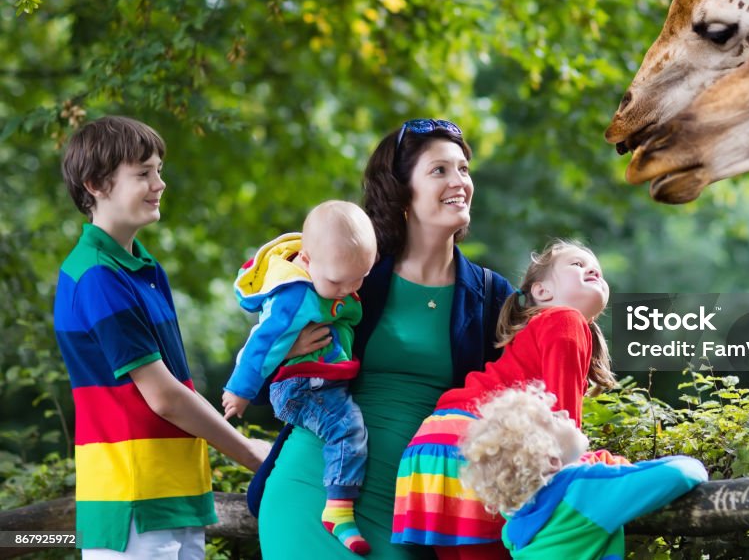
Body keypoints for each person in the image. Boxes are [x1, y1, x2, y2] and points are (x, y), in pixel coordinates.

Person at [254, 119, 515, 559]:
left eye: (464, 169)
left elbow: (527, 387)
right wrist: (286, 353)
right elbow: (258, 378)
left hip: (411, 517)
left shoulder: (491, 296)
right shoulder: (353, 277)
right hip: (311, 493)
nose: (459, 182)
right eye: (440, 171)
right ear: (401, 190)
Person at [53, 116, 272, 558]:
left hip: (175, 498)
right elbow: (164, 396)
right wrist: (249, 453)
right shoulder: (96, 275)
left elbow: (177, 389)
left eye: (159, 170)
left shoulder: (144, 269)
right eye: (143, 173)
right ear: (96, 183)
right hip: (132, 506)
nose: (160, 183)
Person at [391, 238, 617, 560]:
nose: (592, 269)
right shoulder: (566, 320)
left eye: (596, 269)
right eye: (577, 264)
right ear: (542, 292)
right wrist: (590, 464)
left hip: (435, 446)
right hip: (477, 446)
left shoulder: (541, 328)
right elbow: (562, 422)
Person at [222, 200, 377, 554]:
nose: (348, 289)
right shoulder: (295, 295)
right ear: (306, 262)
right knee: (347, 428)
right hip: (301, 385)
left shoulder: (333, 273)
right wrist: (240, 390)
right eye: (339, 281)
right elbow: (262, 343)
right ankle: (338, 508)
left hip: (319, 378)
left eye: (359, 279)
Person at [460, 384, 709, 559]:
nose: (565, 413)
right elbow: (679, 474)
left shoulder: (517, 513)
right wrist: (698, 464)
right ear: (551, 460)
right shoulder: (583, 491)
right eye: (553, 419)